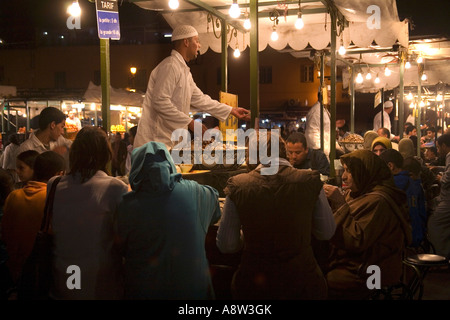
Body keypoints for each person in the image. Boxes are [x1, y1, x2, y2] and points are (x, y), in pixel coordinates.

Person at [216, 131, 336, 300]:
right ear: (284, 152)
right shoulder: (310, 180)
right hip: (303, 282)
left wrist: (248, 234)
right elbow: (326, 232)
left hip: (254, 284)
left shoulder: (238, 185)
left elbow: (227, 245)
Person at [117, 141, 220, 299]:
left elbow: (120, 248)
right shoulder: (196, 192)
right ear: (170, 165)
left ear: (136, 170)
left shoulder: (126, 205)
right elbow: (215, 211)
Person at [133, 24, 250, 150]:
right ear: (186, 42)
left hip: (169, 144)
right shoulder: (170, 66)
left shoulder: (185, 72)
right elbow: (160, 101)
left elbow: (201, 100)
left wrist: (231, 110)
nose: (199, 46)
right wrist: (190, 122)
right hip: (153, 144)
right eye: (197, 41)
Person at [48, 126, 129, 300]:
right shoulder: (115, 187)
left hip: (64, 273)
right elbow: (123, 234)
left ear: (74, 153)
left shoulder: (53, 184)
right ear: (105, 154)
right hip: (99, 278)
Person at [322, 150, 412, 300]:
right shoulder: (357, 193)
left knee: (324, 281)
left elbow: (356, 241)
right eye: (344, 170)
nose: (344, 176)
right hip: (357, 263)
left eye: (349, 171)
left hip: (374, 271)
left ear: (365, 172)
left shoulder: (379, 200)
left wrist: (339, 204)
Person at [1, 151, 65, 289]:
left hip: (16, 272)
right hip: (42, 275)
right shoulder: (54, 200)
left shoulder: (13, 196)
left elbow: (5, 235)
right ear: (60, 174)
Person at [379, 149, 427, 248]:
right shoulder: (414, 183)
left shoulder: (389, 185)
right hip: (417, 237)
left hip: (400, 242)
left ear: (390, 166)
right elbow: (422, 213)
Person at [428, 133, 450, 259]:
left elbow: (447, 178)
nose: (438, 150)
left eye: (438, 147)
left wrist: (441, 178)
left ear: (444, 145)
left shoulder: (449, 155)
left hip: (448, 199)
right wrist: (438, 167)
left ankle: (438, 257)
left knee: (434, 223)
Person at [305, 92, 331, 160]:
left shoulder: (323, 109)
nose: (331, 99)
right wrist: (322, 153)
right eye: (329, 96)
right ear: (321, 97)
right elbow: (312, 135)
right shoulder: (316, 111)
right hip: (319, 155)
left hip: (324, 152)